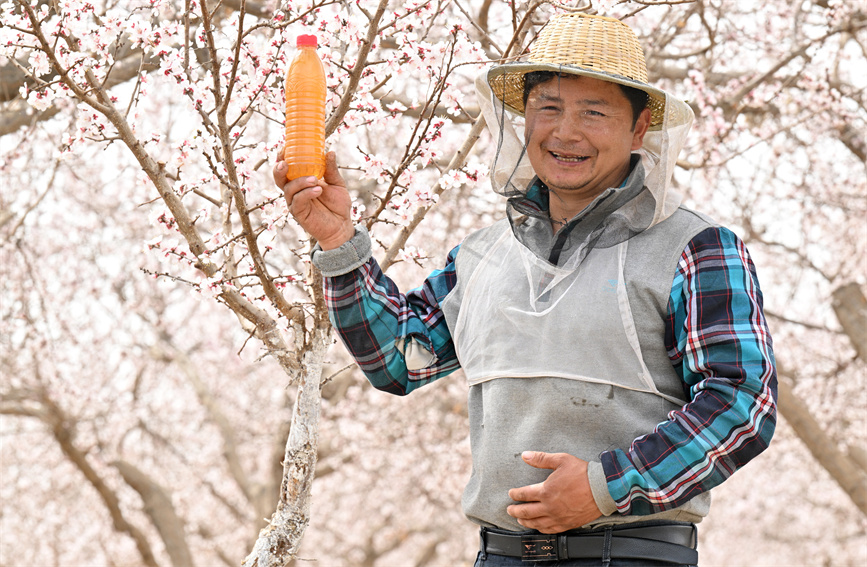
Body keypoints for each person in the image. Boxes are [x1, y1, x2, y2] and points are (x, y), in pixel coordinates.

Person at [274, 12, 776, 567]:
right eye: (549, 108)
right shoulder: (484, 254)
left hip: (631, 555)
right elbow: (399, 359)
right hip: (501, 555)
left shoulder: (695, 246)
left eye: (594, 111)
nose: (565, 132)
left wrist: (606, 485)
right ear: (523, 118)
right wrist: (342, 244)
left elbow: (741, 402)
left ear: (639, 130)